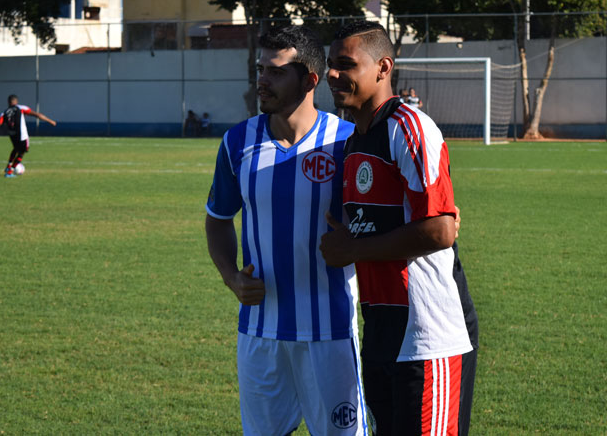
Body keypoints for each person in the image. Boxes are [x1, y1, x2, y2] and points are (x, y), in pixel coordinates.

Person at [204, 25, 368, 436]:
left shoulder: (348, 143)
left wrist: (354, 247)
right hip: (260, 331)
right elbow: (218, 217)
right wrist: (230, 278)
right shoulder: (237, 142)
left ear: (310, 79)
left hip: (329, 330)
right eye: (261, 69)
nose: (262, 80)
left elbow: (378, 226)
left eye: (275, 72)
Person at [321, 21, 477, 436]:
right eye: (330, 64)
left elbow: (441, 230)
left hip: (427, 338)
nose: (333, 74)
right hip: (381, 334)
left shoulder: (407, 127)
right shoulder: (355, 141)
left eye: (346, 64)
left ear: (383, 67)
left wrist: (353, 249)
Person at [0, 94, 57, 177]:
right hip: (22, 135)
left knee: (16, 149)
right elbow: (37, 115)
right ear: (16, 101)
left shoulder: (4, 113)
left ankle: (8, 166)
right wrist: (50, 121)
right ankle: (9, 171)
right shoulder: (21, 108)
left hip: (12, 135)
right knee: (22, 152)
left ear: (8, 102)